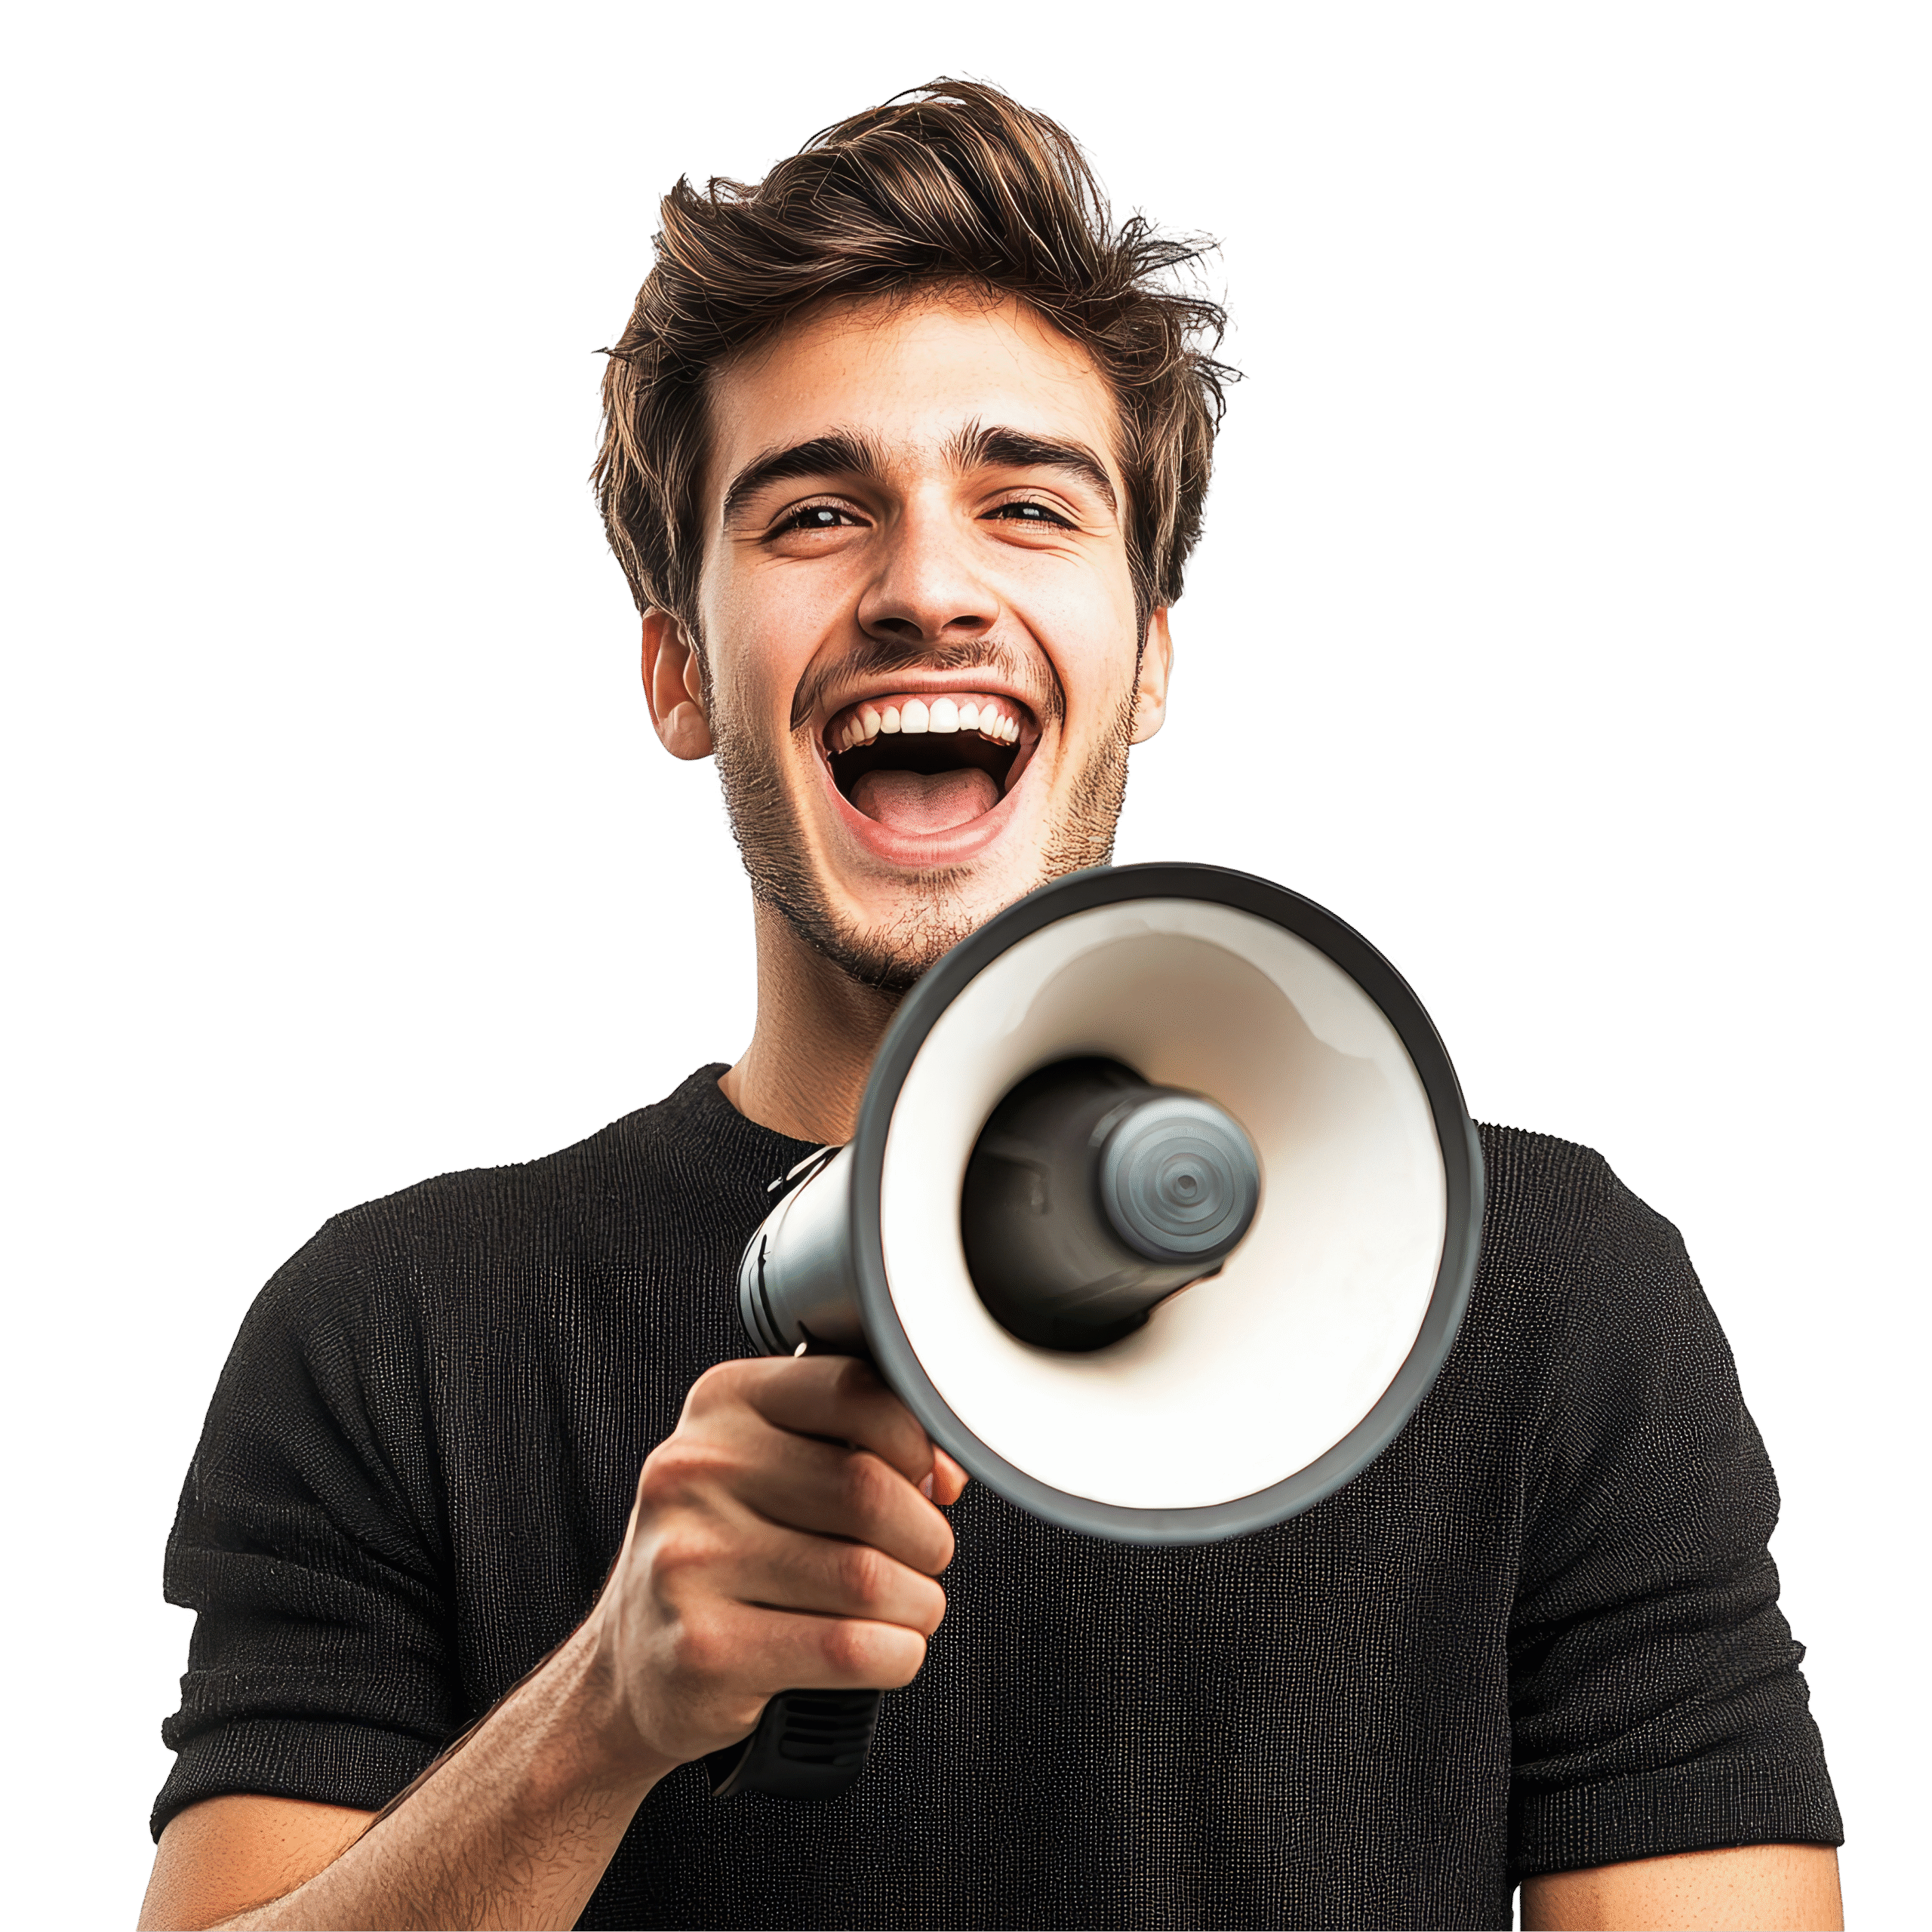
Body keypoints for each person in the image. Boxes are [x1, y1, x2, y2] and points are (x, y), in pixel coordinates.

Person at [137, 78, 1843, 1932]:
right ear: (679, 672)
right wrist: (599, 1716)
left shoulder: (1538, 1290)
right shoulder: (394, 1327)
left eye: (1026, 502)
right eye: (812, 514)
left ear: (1151, 656)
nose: (926, 586)